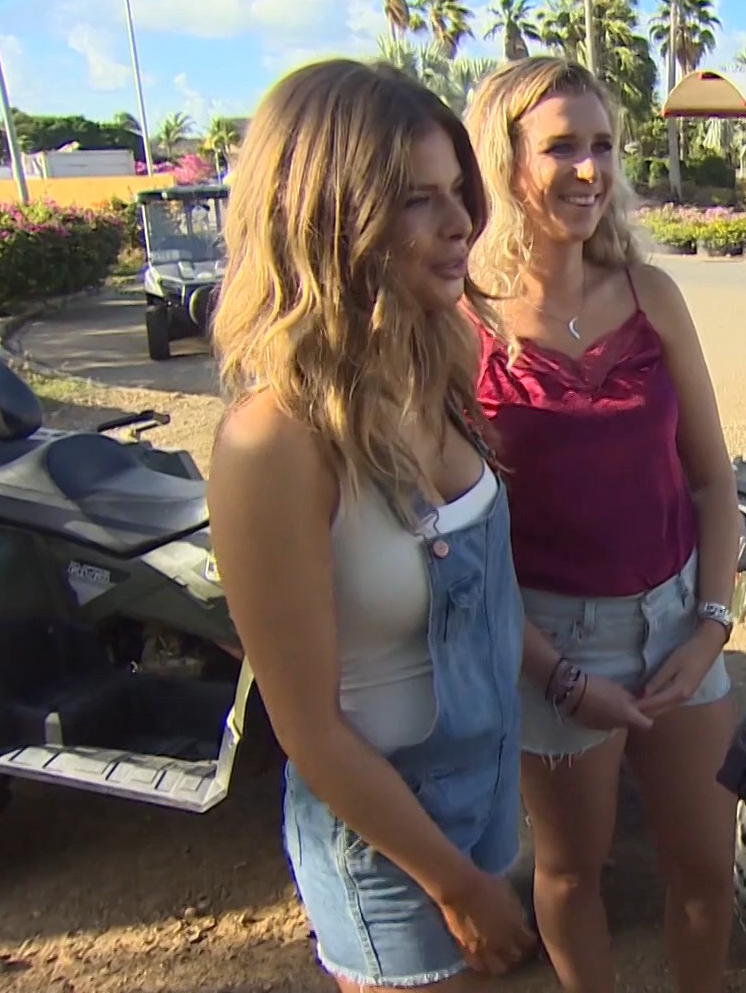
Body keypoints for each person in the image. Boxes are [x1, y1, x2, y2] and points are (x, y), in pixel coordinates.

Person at [205, 58, 536, 992]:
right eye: (418, 200)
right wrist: (455, 884)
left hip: (485, 795)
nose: (461, 222)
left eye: (457, 192)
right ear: (324, 219)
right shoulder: (274, 442)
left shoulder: (440, 362)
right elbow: (310, 731)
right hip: (387, 846)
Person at [461, 56, 741, 993]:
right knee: (573, 872)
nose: (590, 170)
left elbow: (713, 483)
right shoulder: (462, 323)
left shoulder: (651, 295)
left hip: (678, 621)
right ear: (503, 160)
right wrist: (555, 673)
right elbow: (461, 543)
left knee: (705, 867)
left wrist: (711, 628)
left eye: (604, 145)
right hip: (547, 637)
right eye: (561, 148)